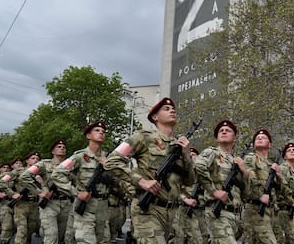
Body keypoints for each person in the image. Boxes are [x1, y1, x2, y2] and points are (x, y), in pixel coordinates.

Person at [104, 97, 195, 242]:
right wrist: (141, 181)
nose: (172, 110)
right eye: (166, 109)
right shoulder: (143, 137)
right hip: (148, 210)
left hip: (173, 214)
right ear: (155, 117)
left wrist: (186, 157)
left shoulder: (179, 146)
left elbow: (190, 181)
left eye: (173, 109)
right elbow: (112, 161)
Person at [51, 121, 112, 244]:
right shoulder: (79, 156)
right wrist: (76, 193)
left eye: (103, 132)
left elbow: (117, 178)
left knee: (100, 240)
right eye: (97, 130)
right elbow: (57, 173)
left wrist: (109, 166)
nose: (101, 133)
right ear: (88, 136)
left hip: (103, 207)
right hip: (86, 205)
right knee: (86, 241)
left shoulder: (108, 158)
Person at [194, 120, 243, 243]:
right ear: (216, 138)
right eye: (221, 130)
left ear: (234, 138)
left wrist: (245, 172)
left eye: (228, 130)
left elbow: (247, 190)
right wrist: (214, 191)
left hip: (236, 215)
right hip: (218, 212)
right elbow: (198, 166)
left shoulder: (236, 161)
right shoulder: (212, 153)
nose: (224, 131)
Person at [20, 140, 72, 244]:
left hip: (66, 203)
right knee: (51, 236)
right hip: (49, 203)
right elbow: (25, 176)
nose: (62, 148)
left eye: (64, 147)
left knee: (62, 236)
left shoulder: (70, 165)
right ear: (53, 151)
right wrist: (39, 192)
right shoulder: (44, 164)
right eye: (59, 147)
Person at [241, 129, 281, 244]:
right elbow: (250, 179)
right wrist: (259, 195)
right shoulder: (250, 158)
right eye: (257, 138)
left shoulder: (271, 165)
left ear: (270, 145)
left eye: (263, 137)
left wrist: (279, 176)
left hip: (271, 211)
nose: (259, 138)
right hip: (256, 209)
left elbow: (280, 191)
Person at [0, 158, 24, 244]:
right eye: (16, 163)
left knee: (19, 226)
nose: (19, 165)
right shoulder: (6, 175)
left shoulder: (25, 175)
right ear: (12, 166)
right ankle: (4, 241)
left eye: (20, 163)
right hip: (7, 203)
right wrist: (0, 193)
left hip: (20, 203)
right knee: (7, 225)